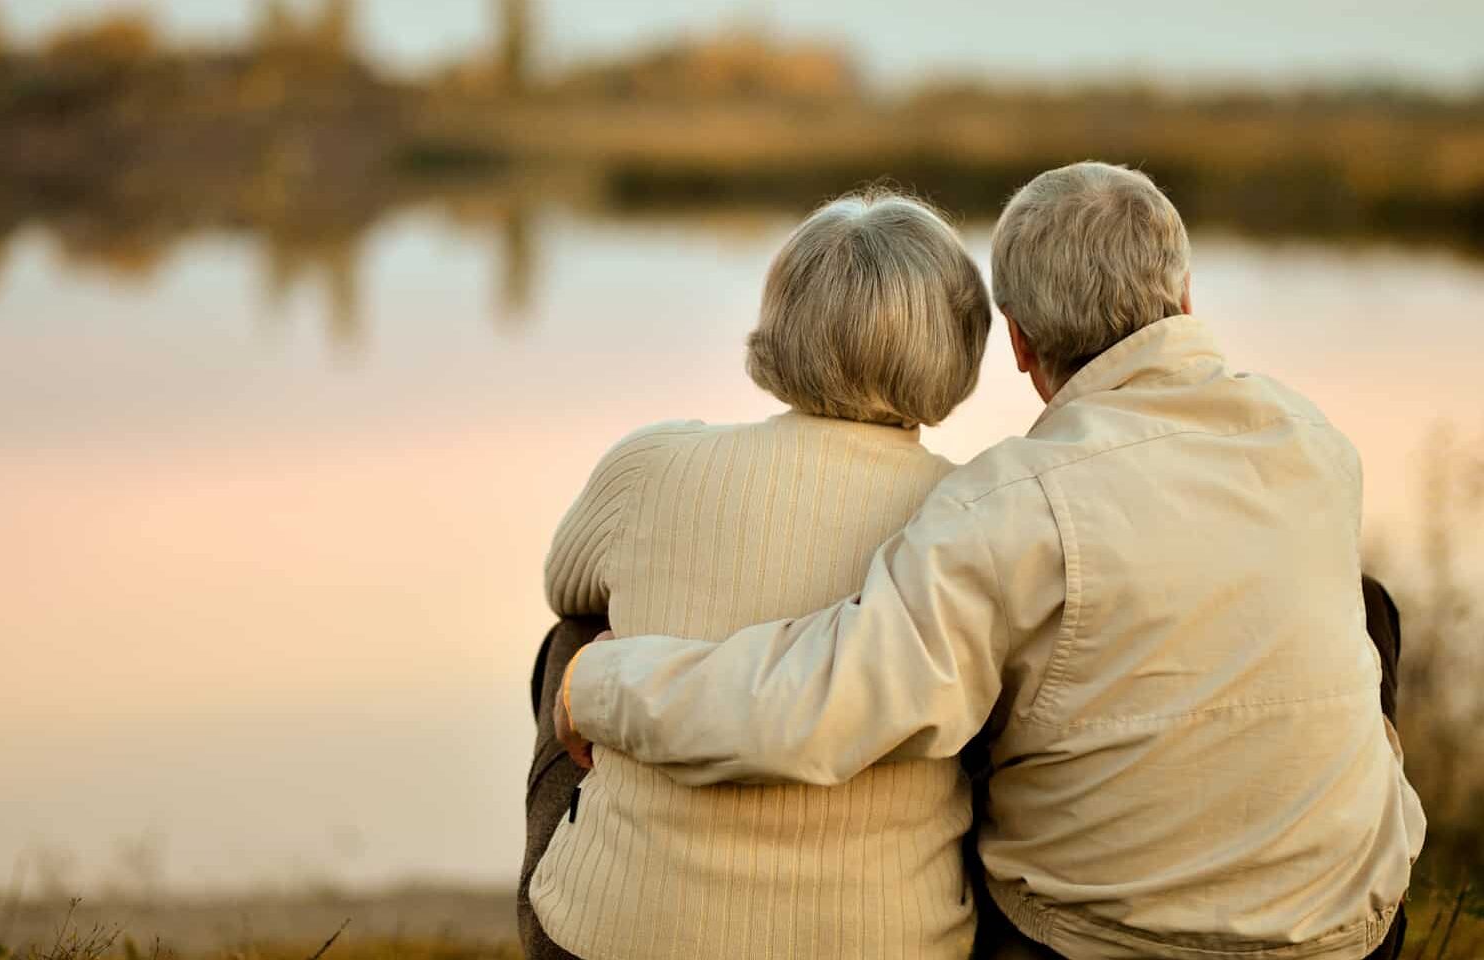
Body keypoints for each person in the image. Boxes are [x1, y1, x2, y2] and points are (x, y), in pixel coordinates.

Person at [555, 162, 1426, 960]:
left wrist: (594, 686)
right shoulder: (1315, 440)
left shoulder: (1012, 503)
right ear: (1187, 297)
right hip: (1352, 929)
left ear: (1015, 341)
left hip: (1094, 940)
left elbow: (824, 704)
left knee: (966, 693)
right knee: (1365, 607)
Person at [521, 191, 994, 960]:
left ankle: (610, 865)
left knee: (574, 634)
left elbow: (563, 583)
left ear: (780, 327)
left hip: (611, 942)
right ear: (959, 345)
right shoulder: (978, 509)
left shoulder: (653, 463)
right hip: (894, 944)